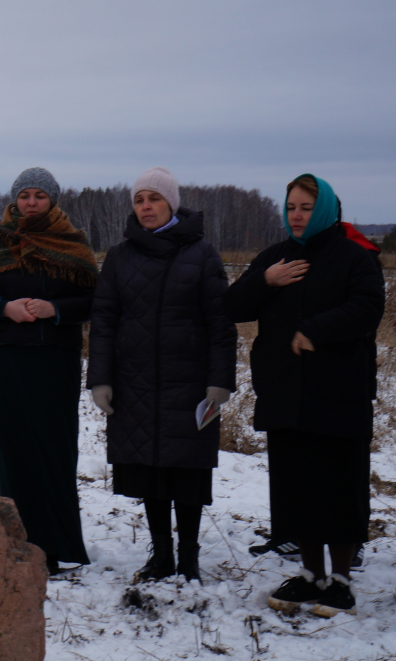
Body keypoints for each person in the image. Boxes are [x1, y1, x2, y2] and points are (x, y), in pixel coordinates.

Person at [223, 174, 384, 617]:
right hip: (284, 392)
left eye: (306, 207)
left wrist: (317, 330)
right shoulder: (275, 258)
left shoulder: (355, 257)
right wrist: (265, 281)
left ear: (327, 209)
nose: (296, 215)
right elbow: (231, 308)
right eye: (291, 206)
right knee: (297, 487)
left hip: (338, 392)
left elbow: (369, 308)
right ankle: (311, 574)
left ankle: (342, 580)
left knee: (338, 483)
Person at [87, 167, 237, 584]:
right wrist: (101, 378)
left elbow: (220, 323)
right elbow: (104, 318)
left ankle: (188, 557)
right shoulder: (120, 256)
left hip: (189, 382)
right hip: (135, 381)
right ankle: (162, 556)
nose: (146, 207)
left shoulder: (201, 253)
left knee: (187, 471)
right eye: (139, 200)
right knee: (149, 469)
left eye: (153, 198)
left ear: (171, 202)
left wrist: (220, 380)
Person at [0, 167, 99, 575]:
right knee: (16, 448)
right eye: (25, 195)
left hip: (55, 357)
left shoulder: (72, 241)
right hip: (5, 356)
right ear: (14, 199)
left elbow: (93, 298)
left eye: (39, 195)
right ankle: (21, 541)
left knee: (54, 447)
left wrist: (57, 310)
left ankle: (58, 544)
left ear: (52, 200)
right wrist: (5, 308)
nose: (31, 202)